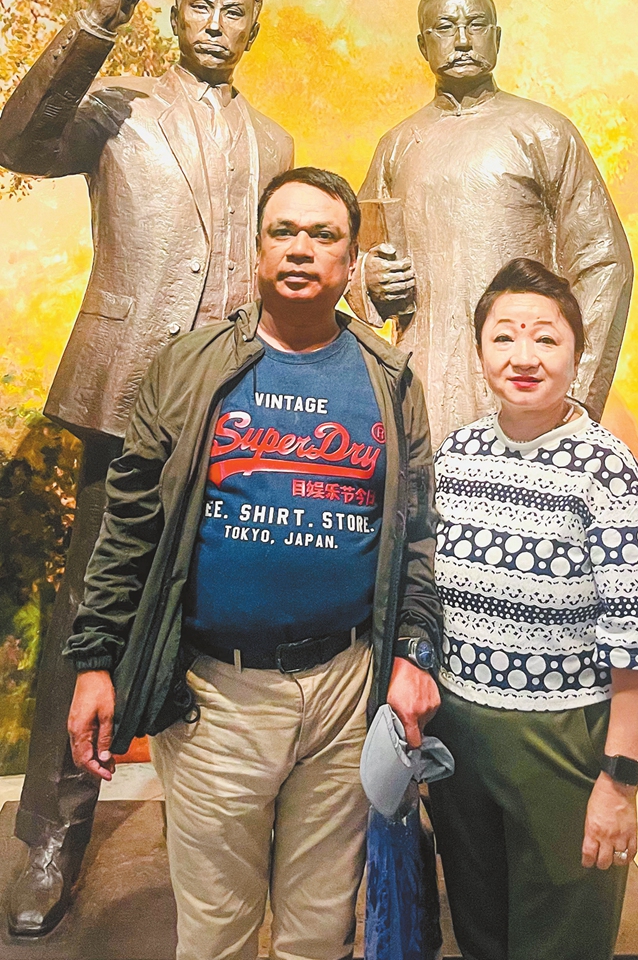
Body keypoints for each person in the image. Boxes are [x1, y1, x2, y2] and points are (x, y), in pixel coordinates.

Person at [64, 168, 441, 960]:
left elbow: (413, 535)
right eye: (283, 232)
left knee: (317, 928)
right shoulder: (189, 367)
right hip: (217, 695)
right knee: (216, 931)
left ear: (350, 260)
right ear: (255, 249)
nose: (301, 250)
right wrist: (95, 661)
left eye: (323, 235)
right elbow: (130, 522)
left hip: (345, 689)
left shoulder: (389, 378)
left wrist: (413, 652)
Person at [0, 0, 293, 935]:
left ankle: (215, 830)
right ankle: (49, 837)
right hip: (128, 394)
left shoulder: (275, 140)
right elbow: (20, 139)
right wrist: (93, 18)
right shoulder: (117, 106)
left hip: (238, 406)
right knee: (91, 616)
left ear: (256, 25)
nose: (215, 22)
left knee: (227, 620)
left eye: (234, 11)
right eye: (200, 6)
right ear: (174, 15)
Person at [428, 257, 638, 960]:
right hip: (459, 738)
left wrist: (619, 783)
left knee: (559, 937)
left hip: (563, 744)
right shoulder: (456, 453)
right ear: (478, 351)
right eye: (503, 337)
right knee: (480, 932)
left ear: (575, 351)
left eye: (544, 338)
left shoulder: (606, 467)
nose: (522, 357)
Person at [348, 0, 632, 447]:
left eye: (476, 25)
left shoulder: (544, 131)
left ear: (497, 38)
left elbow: (605, 264)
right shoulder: (396, 146)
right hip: (420, 383)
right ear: (423, 45)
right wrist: (369, 281)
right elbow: (356, 257)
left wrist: (573, 396)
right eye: (444, 28)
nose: (462, 40)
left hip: (522, 386)